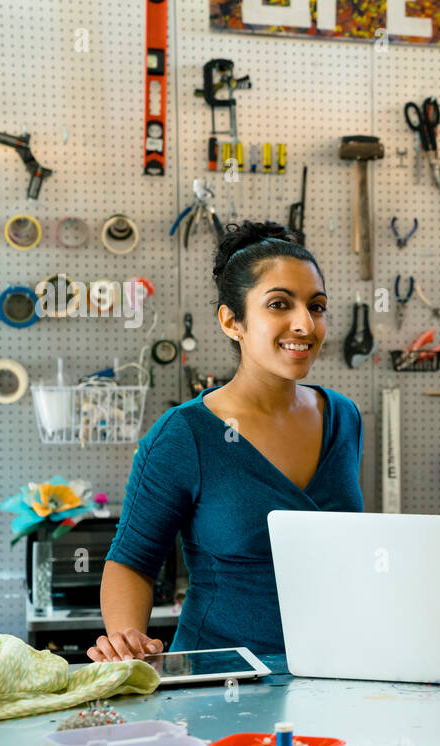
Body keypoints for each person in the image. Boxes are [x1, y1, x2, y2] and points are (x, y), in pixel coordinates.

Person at [87, 222, 363, 662]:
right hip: (216, 682)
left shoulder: (343, 417)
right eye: (279, 305)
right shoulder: (184, 434)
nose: (304, 324)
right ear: (231, 321)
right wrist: (127, 643)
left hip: (331, 672)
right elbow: (131, 562)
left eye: (317, 306)